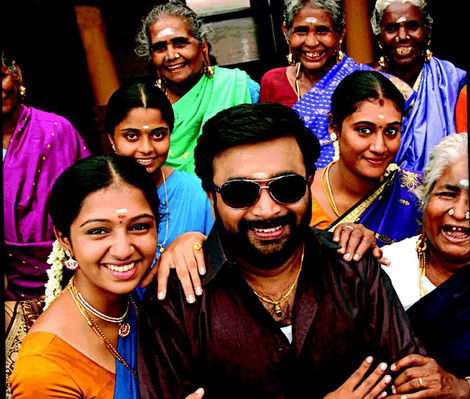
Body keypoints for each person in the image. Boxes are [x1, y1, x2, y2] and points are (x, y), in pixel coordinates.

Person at [138, 103, 435, 399]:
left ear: (309, 182)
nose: (267, 209)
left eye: (287, 187)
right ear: (210, 196)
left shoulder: (352, 266)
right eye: (240, 193)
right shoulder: (177, 299)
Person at [9, 155, 217, 399]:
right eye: (98, 231)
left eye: (140, 227)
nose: (123, 250)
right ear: (64, 239)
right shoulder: (45, 365)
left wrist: (190, 240)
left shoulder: (147, 294)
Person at [380, 132, 469, 399]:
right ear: (426, 197)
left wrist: (462, 389)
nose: (459, 212)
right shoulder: (384, 268)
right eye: (447, 194)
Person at [259, 0, 413, 168]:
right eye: (301, 31)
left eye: (322, 31)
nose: (311, 42)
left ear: (340, 34)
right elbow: (266, 148)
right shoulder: (273, 82)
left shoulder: (367, 81)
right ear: (286, 32)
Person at [2, 50, 91, 300]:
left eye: (0, 77)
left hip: (72, 273)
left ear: (17, 74)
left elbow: (93, 203)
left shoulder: (57, 131)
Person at [134, 0, 259, 174]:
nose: (171, 55)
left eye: (180, 43)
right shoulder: (146, 104)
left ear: (203, 45)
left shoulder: (237, 86)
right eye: (160, 48)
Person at [310, 70, 421, 245]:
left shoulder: (416, 194)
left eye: (391, 131)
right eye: (364, 130)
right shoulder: (300, 196)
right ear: (334, 126)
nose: (379, 147)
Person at [105, 77, 213, 255]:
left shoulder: (197, 193)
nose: (146, 148)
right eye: (131, 136)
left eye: (158, 135)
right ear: (111, 139)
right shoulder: (98, 195)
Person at [370, 0, 467, 172]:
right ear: (379, 37)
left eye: (412, 26)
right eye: (392, 28)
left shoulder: (453, 81)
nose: (402, 36)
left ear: (428, 32)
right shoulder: (365, 81)